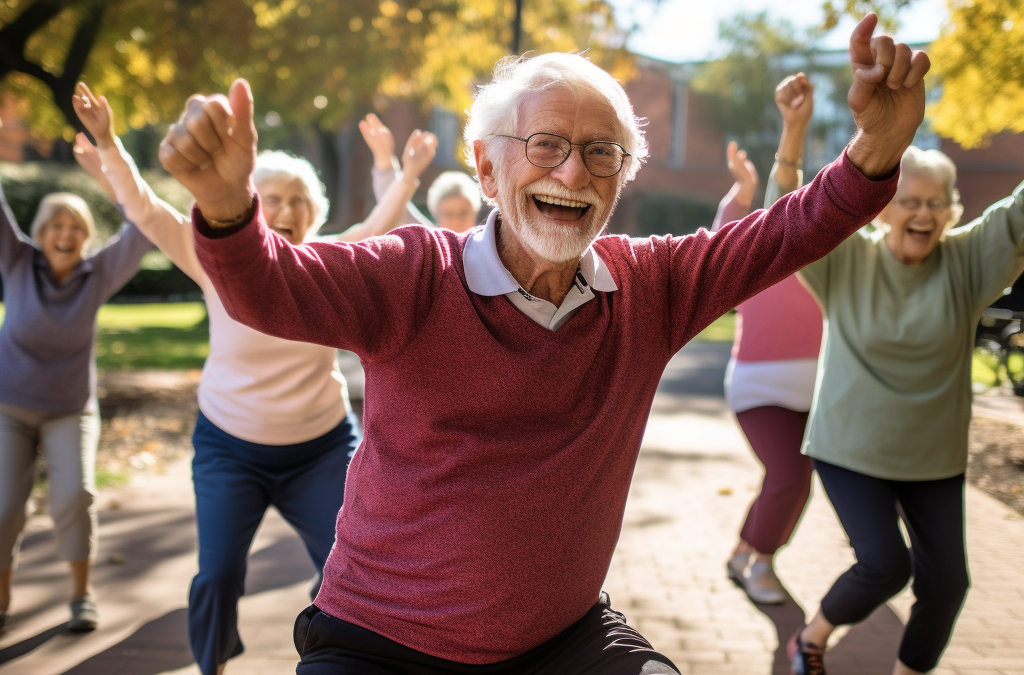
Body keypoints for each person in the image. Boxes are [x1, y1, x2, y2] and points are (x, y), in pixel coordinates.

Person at [159, 16, 928, 674]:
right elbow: (272, 286)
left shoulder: (651, 285)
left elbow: (784, 232)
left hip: (561, 640)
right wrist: (229, 210)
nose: (574, 170)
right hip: (377, 640)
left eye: (602, 153)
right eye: (548, 144)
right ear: (488, 168)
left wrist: (876, 152)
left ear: (621, 178)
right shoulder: (416, 271)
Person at [72, 83, 436, 674]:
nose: (286, 210)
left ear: (313, 213)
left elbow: (377, 224)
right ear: (247, 204)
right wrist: (111, 142)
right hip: (229, 449)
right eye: (270, 198)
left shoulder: (329, 263)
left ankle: (340, 660)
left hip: (319, 450)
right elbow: (145, 209)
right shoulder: (211, 257)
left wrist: (403, 172)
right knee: (217, 575)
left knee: (351, 566)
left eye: (298, 200)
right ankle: (211, 664)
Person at [785, 142, 1024, 674]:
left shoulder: (966, 262)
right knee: (885, 566)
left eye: (937, 203)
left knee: (946, 585)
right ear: (885, 208)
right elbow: (797, 220)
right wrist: (792, 139)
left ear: (952, 211)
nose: (924, 214)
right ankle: (809, 639)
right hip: (850, 447)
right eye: (911, 201)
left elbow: (1017, 215)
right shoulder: (849, 258)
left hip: (932, 459)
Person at [0, 124, 154, 634]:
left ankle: (81, 594)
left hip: (70, 408)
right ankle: (1, 596)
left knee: (75, 497)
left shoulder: (99, 273)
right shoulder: (16, 261)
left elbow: (143, 224)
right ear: (39, 231)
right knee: (3, 506)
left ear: (86, 236)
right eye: (54, 226)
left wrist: (111, 175)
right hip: (10, 407)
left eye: (75, 227)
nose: (64, 236)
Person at [713, 74, 822, 605]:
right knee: (788, 477)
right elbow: (718, 241)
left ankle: (743, 554)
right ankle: (760, 564)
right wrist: (743, 192)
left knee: (797, 482)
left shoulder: (831, 251)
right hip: (760, 387)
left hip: (819, 392)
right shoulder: (754, 252)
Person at [360, 112, 483, 232]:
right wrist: (384, 159)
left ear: (475, 212)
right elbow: (393, 211)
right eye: (448, 214)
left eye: (464, 213)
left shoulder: (486, 244)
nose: (457, 221)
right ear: (436, 214)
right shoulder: (427, 244)